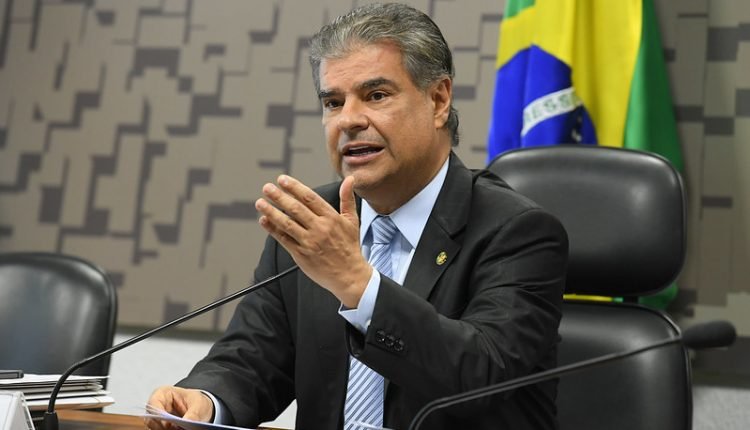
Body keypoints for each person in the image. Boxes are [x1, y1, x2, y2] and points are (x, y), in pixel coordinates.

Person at [146, 3, 567, 429]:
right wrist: (205, 399)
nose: (348, 120)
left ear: (439, 100)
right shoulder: (312, 224)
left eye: (376, 95)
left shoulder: (517, 232)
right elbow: (250, 361)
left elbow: (483, 374)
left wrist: (358, 286)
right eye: (333, 102)